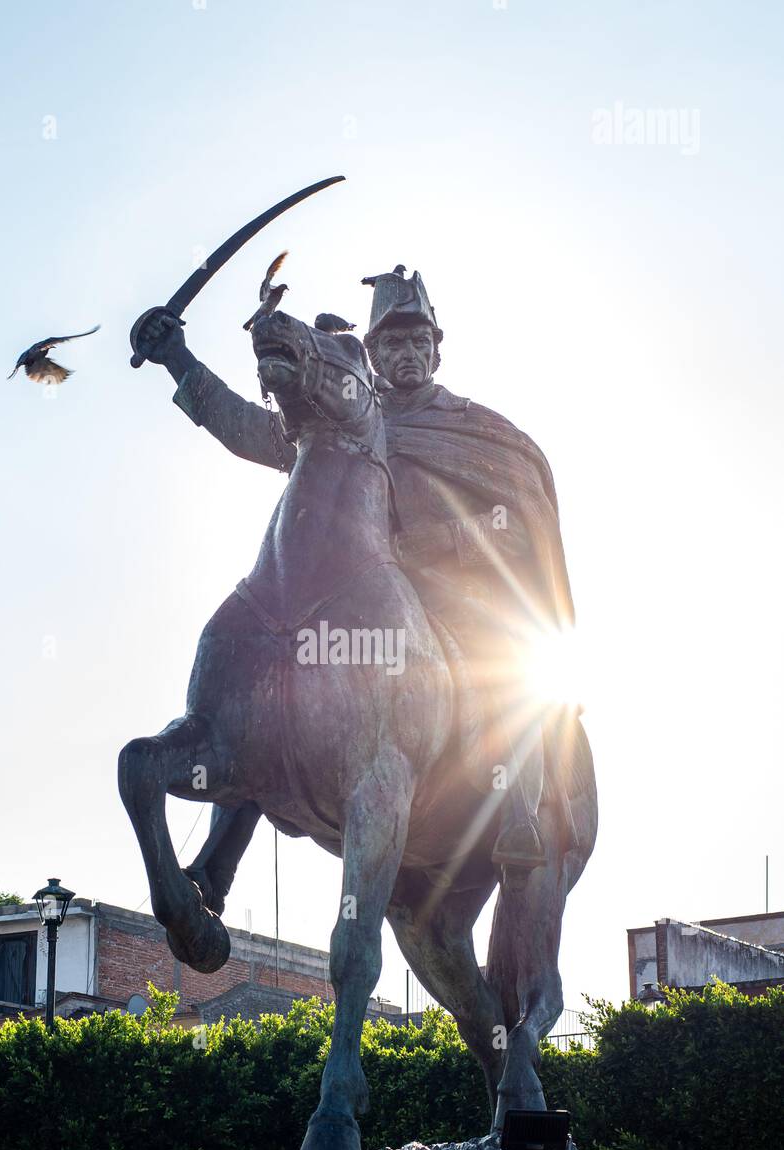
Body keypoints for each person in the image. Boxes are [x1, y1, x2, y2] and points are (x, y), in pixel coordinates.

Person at [135, 267, 577, 910]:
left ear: (436, 345)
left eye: (415, 340)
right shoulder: (341, 414)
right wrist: (177, 360)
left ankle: (519, 808)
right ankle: (218, 865)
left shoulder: (480, 432)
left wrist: (436, 544)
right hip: (354, 594)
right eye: (390, 343)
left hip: (447, 597)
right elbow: (246, 427)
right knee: (269, 681)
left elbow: (519, 527)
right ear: (370, 354)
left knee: (506, 655)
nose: (404, 353)